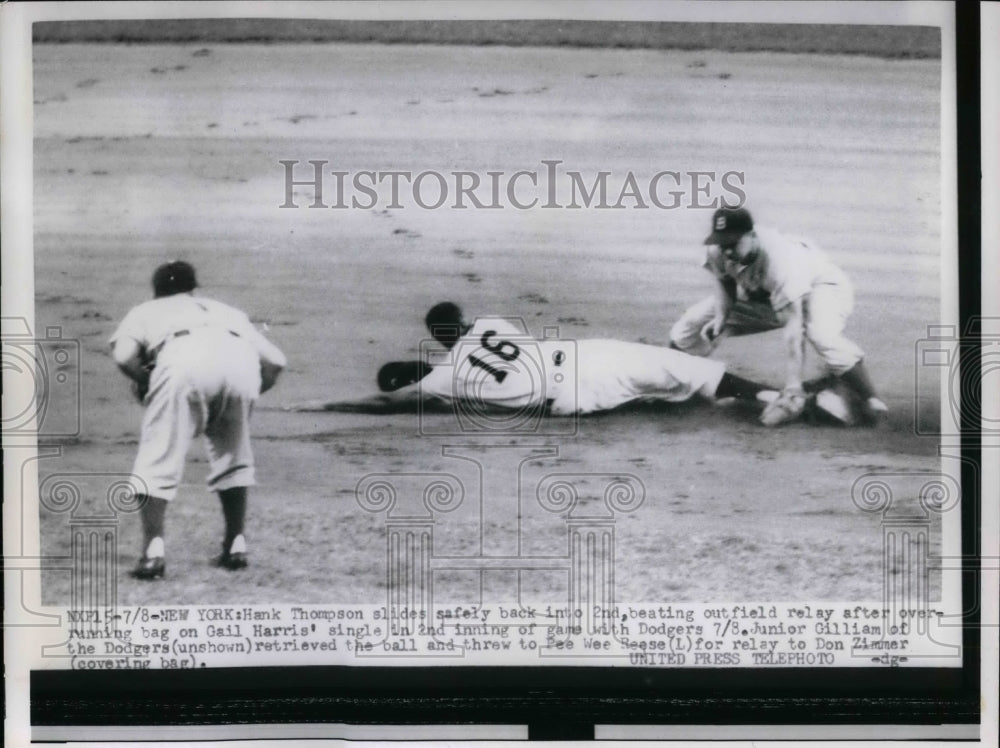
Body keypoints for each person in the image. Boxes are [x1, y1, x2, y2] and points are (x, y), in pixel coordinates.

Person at [110, 261, 287, 580]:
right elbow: (276, 362)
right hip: (241, 364)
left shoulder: (145, 310)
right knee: (234, 456)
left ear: (157, 291)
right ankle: (236, 546)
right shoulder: (228, 311)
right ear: (193, 289)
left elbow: (123, 356)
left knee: (157, 458)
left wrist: (148, 381)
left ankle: (152, 553)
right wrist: (248, 393)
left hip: (184, 361)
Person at [295, 301, 779, 417]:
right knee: (691, 372)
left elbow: (387, 403)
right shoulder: (489, 325)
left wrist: (324, 406)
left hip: (574, 398)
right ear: (460, 324)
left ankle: (739, 400)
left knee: (650, 393)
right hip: (589, 355)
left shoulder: (443, 385)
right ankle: (771, 396)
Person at [669, 206, 888, 425]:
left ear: (751, 235)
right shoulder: (717, 250)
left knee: (820, 334)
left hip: (822, 289)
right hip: (767, 296)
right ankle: (677, 381)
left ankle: (869, 398)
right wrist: (721, 318)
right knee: (692, 323)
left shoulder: (780, 260)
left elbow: (793, 328)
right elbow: (724, 282)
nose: (727, 251)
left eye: (732, 243)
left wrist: (793, 384)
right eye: (722, 243)